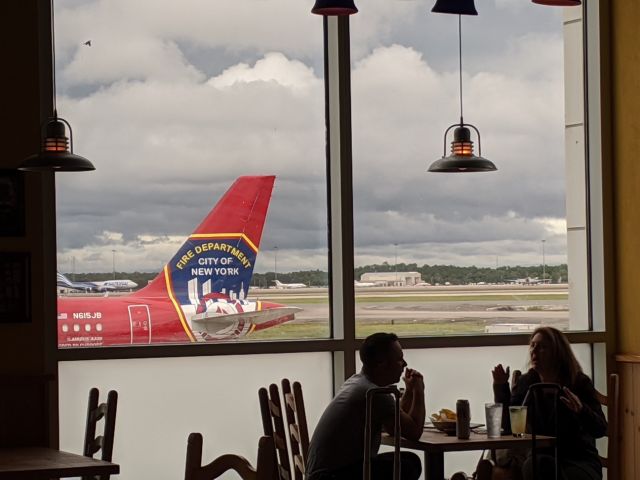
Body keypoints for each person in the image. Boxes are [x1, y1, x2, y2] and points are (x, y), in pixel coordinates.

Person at [491, 326, 607, 480]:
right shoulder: (527, 382)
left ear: (558, 353)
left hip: (577, 460)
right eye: (533, 345)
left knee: (537, 467)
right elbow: (511, 426)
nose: (534, 351)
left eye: (543, 347)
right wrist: (501, 388)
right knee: (536, 465)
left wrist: (581, 410)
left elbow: (600, 429)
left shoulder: (578, 382)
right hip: (539, 457)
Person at [306, 332, 425, 480]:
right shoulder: (374, 393)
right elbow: (414, 432)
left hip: (321, 473)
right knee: (407, 467)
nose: (405, 364)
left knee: (409, 460)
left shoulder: (356, 382)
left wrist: (408, 391)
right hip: (333, 475)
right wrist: (419, 391)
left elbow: (394, 425)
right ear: (382, 363)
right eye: (399, 359)